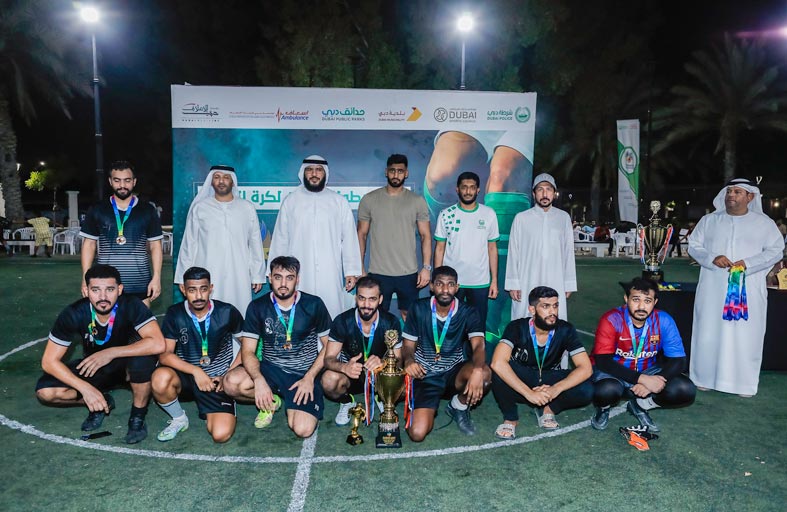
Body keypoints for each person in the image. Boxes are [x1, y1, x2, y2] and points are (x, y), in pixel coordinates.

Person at [35, 264, 165, 443]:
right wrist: (85, 388)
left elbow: (158, 343)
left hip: (128, 366)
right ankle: (101, 401)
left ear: (120, 290)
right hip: (96, 367)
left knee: (142, 361)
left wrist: (111, 352)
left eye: (110, 289)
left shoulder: (131, 305)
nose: (103, 297)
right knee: (46, 392)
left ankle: (137, 417)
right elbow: (49, 362)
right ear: (86, 290)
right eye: (95, 290)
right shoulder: (74, 313)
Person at [688, 178, 785, 397]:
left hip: (748, 288)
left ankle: (743, 383)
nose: (731, 195)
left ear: (750, 197)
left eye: (737, 192)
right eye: (729, 191)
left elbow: (776, 251)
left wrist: (748, 264)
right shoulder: (709, 221)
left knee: (745, 333)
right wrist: (712, 258)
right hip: (712, 287)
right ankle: (704, 377)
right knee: (708, 330)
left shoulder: (764, 223)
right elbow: (694, 246)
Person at [223, 256, 331, 438]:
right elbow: (248, 351)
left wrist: (310, 377)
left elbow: (329, 347)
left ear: (297, 279)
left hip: (302, 373)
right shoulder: (257, 307)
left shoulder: (313, 304)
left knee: (302, 430)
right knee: (231, 383)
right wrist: (258, 379)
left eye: (289, 278)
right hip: (271, 370)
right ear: (270, 278)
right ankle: (273, 402)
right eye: (278, 277)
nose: (283, 283)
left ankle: (291, 401)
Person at [589, 278, 696, 432]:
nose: (641, 306)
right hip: (614, 373)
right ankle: (603, 408)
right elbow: (603, 361)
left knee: (685, 389)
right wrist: (642, 379)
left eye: (647, 301)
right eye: (636, 299)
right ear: (626, 299)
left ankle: (640, 405)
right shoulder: (611, 319)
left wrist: (657, 380)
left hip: (648, 370)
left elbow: (679, 360)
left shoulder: (664, 320)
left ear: (655, 302)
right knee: (606, 391)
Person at [152, 267, 243, 443]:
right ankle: (179, 418)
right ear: (183, 289)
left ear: (211, 288)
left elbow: (248, 345)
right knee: (160, 378)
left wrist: (227, 375)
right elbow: (165, 355)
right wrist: (196, 371)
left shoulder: (226, 311)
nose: (199, 295)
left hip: (216, 381)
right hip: (188, 376)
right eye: (192, 290)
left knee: (221, 435)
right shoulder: (175, 313)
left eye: (203, 289)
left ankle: (218, 409)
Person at [401, 266, 492, 441]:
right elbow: (408, 345)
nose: (445, 289)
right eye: (440, 284)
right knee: (417, 433)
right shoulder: (419, 308)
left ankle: (459, 405)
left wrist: (477, 370)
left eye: (450, 284)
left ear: (457, 288)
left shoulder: (468, 311)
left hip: (453, 372)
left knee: (484, 374)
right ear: (432, 287)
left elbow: (479, 346)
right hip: (425, 374)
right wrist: (409, 361)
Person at [490, 286, 593, 438]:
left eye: (555, 306)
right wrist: (529, 393)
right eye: (546, 306)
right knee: (500, 371)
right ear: (532, 310)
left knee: (587, 388)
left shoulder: (565, 329)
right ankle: (510, 418)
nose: (552, 312)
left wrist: (556, 389)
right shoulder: (517, 327)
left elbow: (585, 368)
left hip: (549, 378)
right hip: (523, 379)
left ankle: (548, 409)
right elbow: (497, 363)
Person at [267, 155, 362, 319]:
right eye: (309, 170)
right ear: (303, 173)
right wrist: (276, 271)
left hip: (329, 270)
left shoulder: (338, 202)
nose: (314, 174)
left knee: (331, 311)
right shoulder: (291, 201)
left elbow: (349, 238)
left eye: (319, 170)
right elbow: (281, 238)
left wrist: (351, 271)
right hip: (299, 271)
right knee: (300, 314)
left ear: (325, 174)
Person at [175, 164, 266, 316]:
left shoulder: (246, 207)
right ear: (211, 181)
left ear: (233, 181)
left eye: (226, 177)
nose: (221, 181)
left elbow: (255, 243)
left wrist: (257, 274)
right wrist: (183, 276)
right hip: (208, 271)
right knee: (209, 314)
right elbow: (189, 244)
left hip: (238, 272)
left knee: (239, 312)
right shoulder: (200, 207)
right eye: (217, 177)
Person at [357, 154, 432, 320]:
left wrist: (427, 268)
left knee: (409, 315)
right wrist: (359, 266)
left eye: (400, 171)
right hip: (378, 272)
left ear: (406, 173)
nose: (396, 175)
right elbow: (361, 234)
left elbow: (425, 235)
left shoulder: (417, 201)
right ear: (386, 172)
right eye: (392, 171)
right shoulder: (369, 200)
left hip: (408, 272)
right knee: (377, 316)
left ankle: (408, 340)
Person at [321, 275, 402, 425]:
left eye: (372, 299)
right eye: (362, 298)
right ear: (356, 298)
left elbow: (399, 359)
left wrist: (384, 362)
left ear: (380, 299)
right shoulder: (342, 321)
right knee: (328, 380)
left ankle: (382, 397)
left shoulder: (391, 322)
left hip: (379, 375)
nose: (366, 305)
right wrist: (344, 367)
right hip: (351, 375)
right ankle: (347, 401)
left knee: (404, 378)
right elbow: (328, 359)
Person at [80, 161, 163, 306]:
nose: (122, 185)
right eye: (117, 180)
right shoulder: (97, 209)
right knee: (106, 321)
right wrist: (85, 278)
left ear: (134, 182)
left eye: (127, 180)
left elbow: (155, 246)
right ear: (110, 181)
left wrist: (156, 277)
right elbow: (89, 244)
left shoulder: (147, 210)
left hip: (139, 282)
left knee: (141, 320)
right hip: (104, 283)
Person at [434, 171, 500, 337]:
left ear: (478, 190)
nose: (468, 191)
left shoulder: (489, 214)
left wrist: (494, 281)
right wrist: (437, 280)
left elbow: (492, 248)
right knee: (450, 326)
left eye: (472, 187)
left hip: (480, 282)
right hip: (452, 283)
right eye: (464, 187)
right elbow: (439, 248)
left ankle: (476, 355)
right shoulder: (446, 214)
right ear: (457, 189)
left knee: (477, 328)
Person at [505, 173, 577, 322]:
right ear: (533, 194)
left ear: (554, 193)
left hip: (555, 278)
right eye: (540, 189)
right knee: (524, 317)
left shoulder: (563, 218)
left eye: (548, 189)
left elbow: (568, 253)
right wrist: (513, 283)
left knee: (553, 317)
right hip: (526, 278)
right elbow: (513, 252)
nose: (544, 194)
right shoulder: (521, 218)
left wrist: (568, 283)